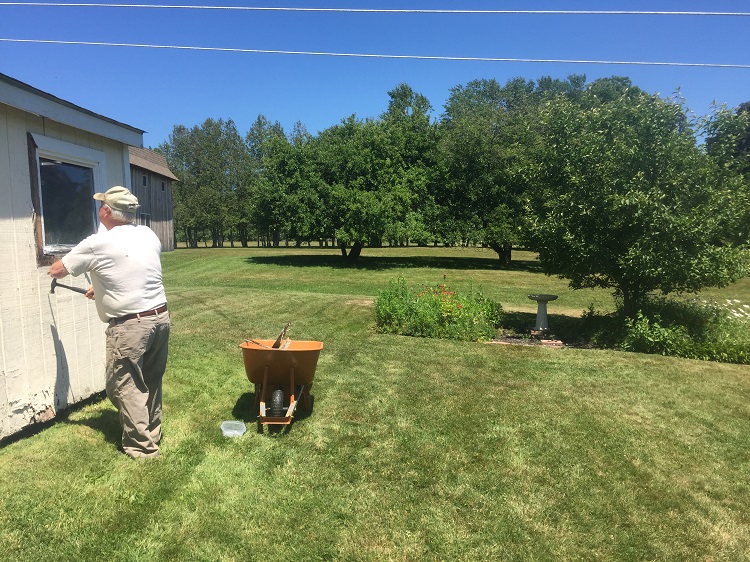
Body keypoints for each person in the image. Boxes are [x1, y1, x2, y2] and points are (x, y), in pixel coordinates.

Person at [49, 185, 170, 459]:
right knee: (151, 380)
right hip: (160, 318)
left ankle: (142, 448)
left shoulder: (97, 243)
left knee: (125, 386)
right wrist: (101, 288)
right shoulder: (147, 234)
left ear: (106, 210)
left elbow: (57, 270)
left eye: (100, 205)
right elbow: (133, 269)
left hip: (130, 327)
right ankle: (152, 432)